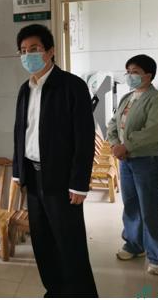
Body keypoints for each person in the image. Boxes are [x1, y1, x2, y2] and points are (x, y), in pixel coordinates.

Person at [12, 24, 98, 298]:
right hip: (33, 177)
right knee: (42, 241)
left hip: (62, 180)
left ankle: (81, 294)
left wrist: (79, 183)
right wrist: (18, 172)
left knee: (69, 243)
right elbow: (20, 133)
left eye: (34, 49)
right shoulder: (25, 89)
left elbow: (84, 138)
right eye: (23, 51)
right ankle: (55, 289)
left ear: (50, 51)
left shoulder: (72, 86)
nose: (28, 55)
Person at [107, 54, 158, 276]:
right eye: (128, 71)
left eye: (135, 72)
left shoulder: (157, 99)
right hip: (126, 161)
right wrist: (115, 144)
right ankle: (134, 245)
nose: (130, 76)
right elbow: (113, 124)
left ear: (148, 75)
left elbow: (152, 131)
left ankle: (157, 256)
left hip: (147, 161)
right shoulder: (128, 97)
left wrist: (126, 146)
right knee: (131, 205)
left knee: (150, 208)